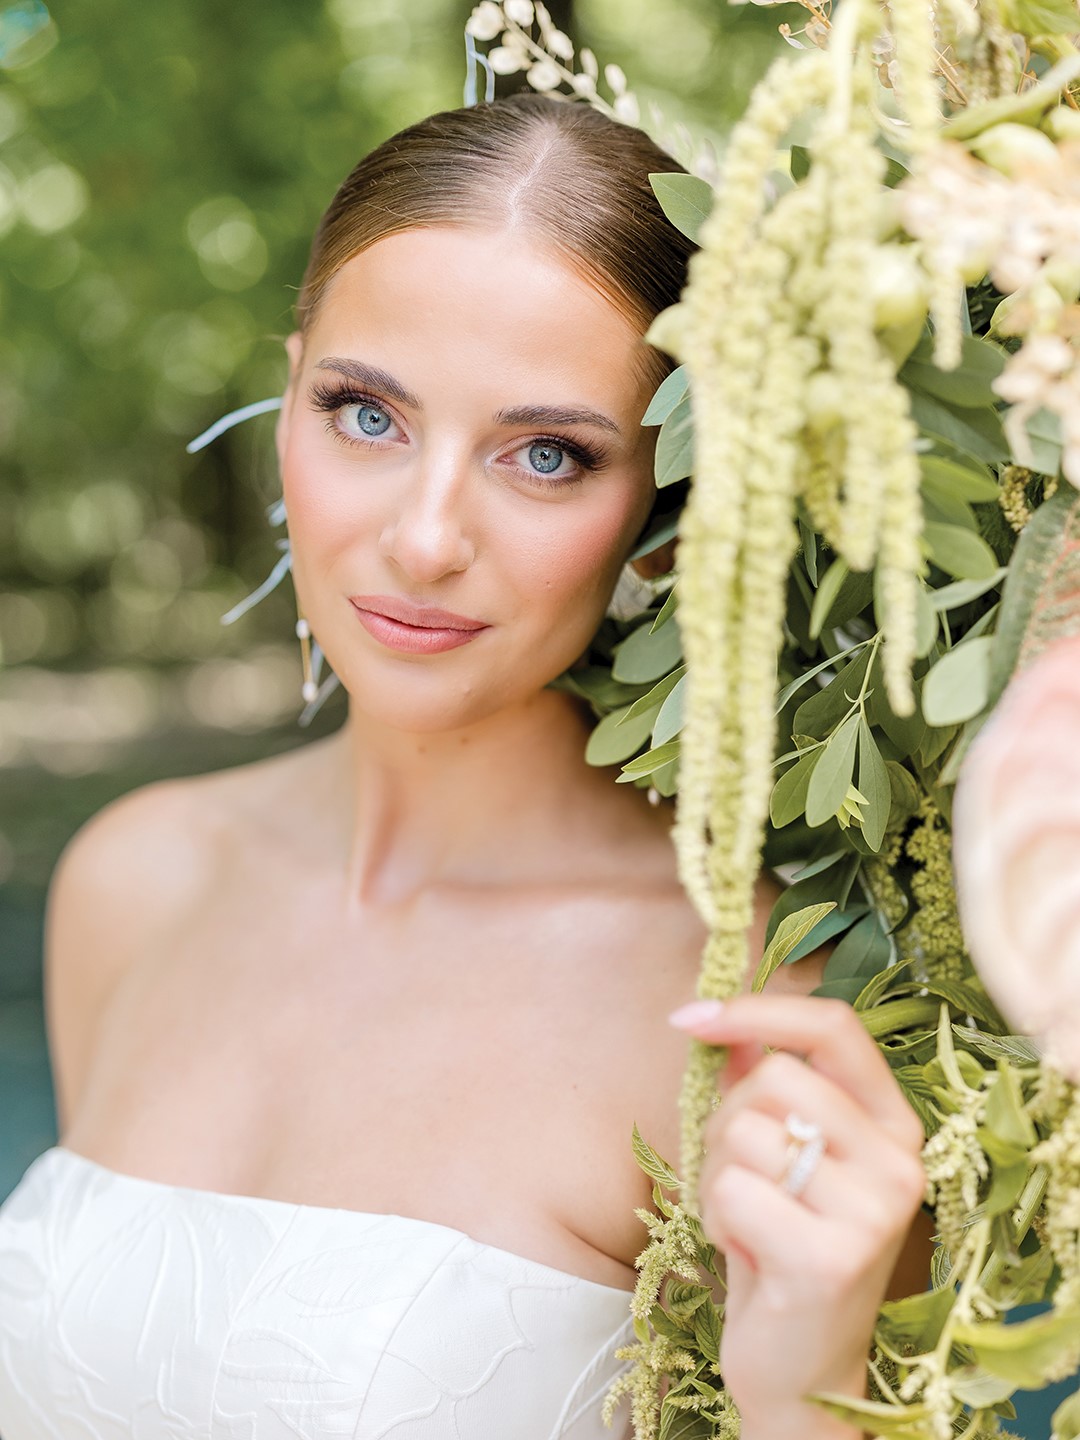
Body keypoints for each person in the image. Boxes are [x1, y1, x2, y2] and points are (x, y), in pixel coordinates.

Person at [0, 91, 929, 1440]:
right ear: (286, 403)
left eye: (545, 454)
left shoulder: (749, 1011)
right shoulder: (134, 881)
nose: (427, 537)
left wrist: (805, 1399)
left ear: (668, 507)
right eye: (366, 414)